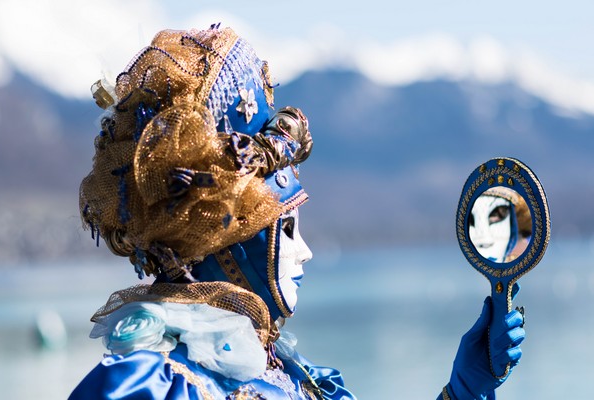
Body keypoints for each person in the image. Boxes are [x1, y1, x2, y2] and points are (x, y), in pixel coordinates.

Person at [70, 25, 525, 399]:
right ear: (222, 235)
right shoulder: (153, 386)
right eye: (285, 229)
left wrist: (465, 390)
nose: (305, 252)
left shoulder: (289, 376)